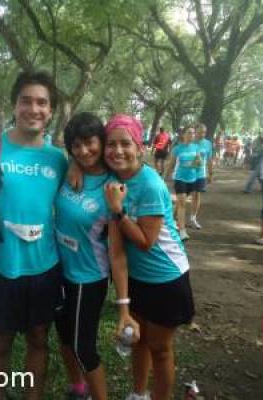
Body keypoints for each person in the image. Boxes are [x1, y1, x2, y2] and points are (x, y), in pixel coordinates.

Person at [0, 70, 68, 400]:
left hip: (45, 264)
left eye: (42, 103)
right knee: (1, 340)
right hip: (3, 265)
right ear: (15, 105)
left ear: (51, 111)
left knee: (38, 337)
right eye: (26, 101)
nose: (33, 109)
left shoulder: (57, 159)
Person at [103, 114, 195, 400]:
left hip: (166, 277)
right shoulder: (114, 177)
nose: (118, 150)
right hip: (137, 277)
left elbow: (145, 242)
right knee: (138, 340)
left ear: (140, 147)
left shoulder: (150, 184)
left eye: (125, 143)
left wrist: (118, 211)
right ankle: (138, 394)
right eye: (111, 144)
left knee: (160, 348)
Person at [55, 112, 138, 400]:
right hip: (59, 271)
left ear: (101, 141)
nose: (83, 150)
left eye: (89, 142)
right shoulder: (71, 169)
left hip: (88, 278)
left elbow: (117, 252)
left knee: (83, 347)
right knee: (65, 338)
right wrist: (74, 163)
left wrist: (123, 306)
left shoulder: (112, 188)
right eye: (75, 146)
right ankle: (79, 389)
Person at [165, 126, 199, 241]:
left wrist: (195, 164)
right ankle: (182, 231)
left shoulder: (196, 147)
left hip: (192, 179)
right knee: (183, 203)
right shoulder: (177, 149)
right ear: (183, 135)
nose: (192, 135)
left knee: (180, 203)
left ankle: (170, 218)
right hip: (179, 178)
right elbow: (171, 164)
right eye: (189, 133)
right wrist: (165, 177)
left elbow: (198, 163)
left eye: (193, 133)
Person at [190, 123, 213, 230]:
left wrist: (210, 173)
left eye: (204, 132)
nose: (202, 134)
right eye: (199, 132)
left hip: (200, 174)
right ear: (195, 132)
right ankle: (175, 217)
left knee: (197, 195)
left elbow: (209, 159)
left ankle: (193, 218)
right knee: (183, 196)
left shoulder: (208, 143)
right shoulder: (189, 142)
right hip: (187, 173)